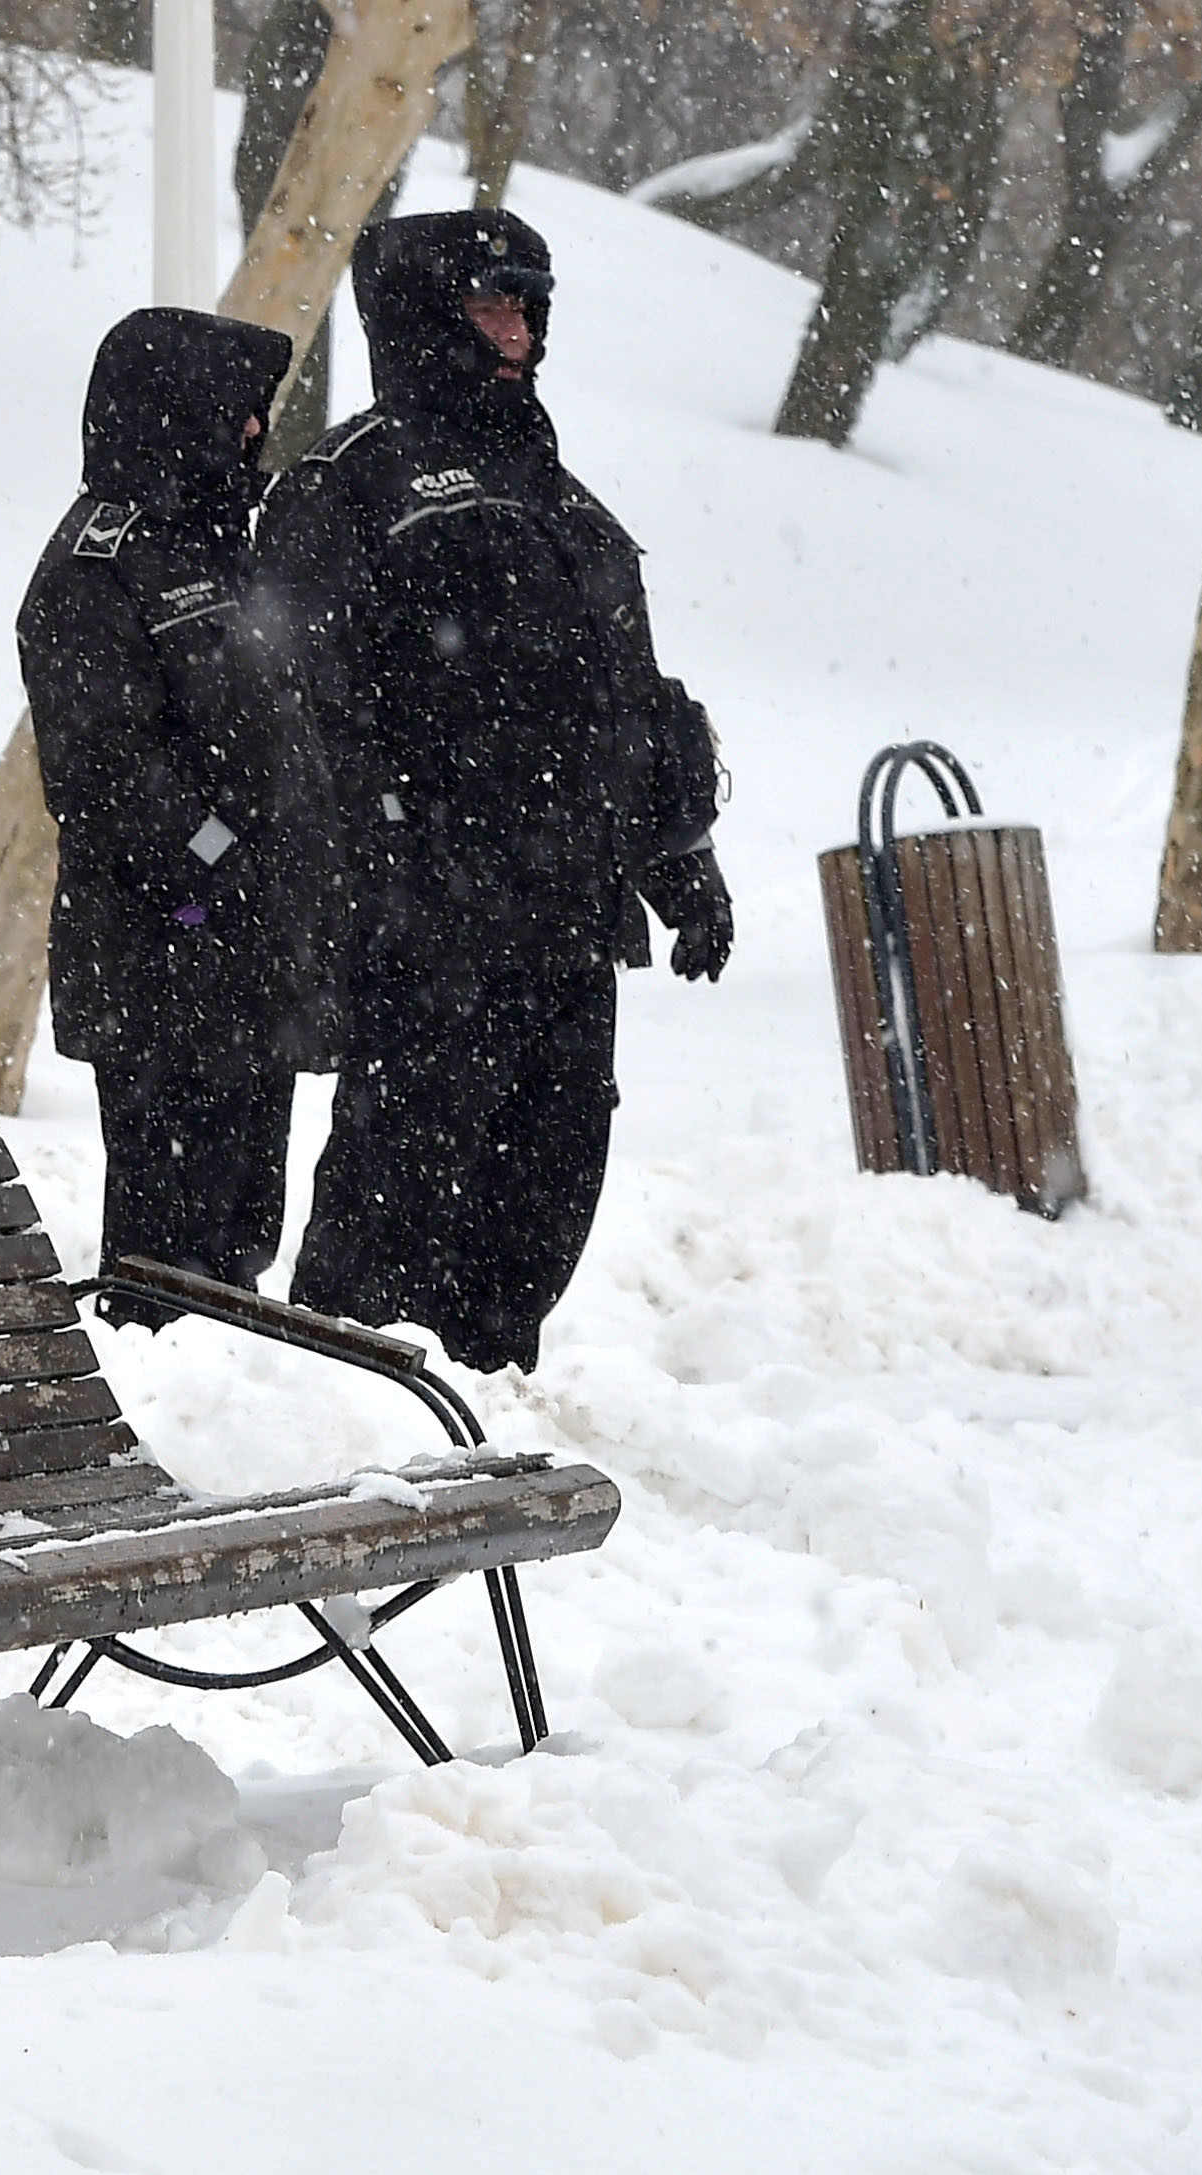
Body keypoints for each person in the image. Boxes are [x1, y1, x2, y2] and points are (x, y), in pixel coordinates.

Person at [251, 207, 730, 1374]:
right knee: (396, 1187)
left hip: (566, 916)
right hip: (429, 925)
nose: (515, 334)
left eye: (527, 306)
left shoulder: (559, 497)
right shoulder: (347, 486)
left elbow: (622, 699)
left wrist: (679, 858)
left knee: (545, 1183)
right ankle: (332, 1404)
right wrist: (386, 864)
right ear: (424, 318)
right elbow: (297, 719)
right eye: (488, 306)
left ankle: (490, 1400)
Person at [16, 306, 303, 1316]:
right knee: (167, 1247)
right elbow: (104, 769)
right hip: (158, 954)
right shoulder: (99, 563)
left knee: (238, 1228)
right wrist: (219, 860)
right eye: (236, 411)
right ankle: (163, 1411)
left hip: (239, 955)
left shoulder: (224, 545)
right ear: (175, 412)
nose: (252, 433)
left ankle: (233, 1411)